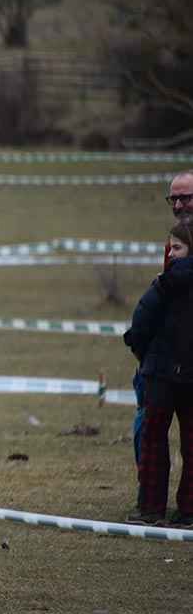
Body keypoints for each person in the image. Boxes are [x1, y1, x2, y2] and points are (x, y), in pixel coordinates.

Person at [124, 221, 193, 528]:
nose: (172, 254)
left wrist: (143, 355)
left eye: (177, 248)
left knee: (153, 442)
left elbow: (141, 323)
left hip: (161, 374)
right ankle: (189, 511)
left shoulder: (165, 283)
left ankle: (151, 508)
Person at [132, 172, 193, 470]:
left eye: (187, 198)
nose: (180, 204)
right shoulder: (175, 241)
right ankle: (151, 508)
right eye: (175, 198)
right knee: (151, 435)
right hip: (162, 359)